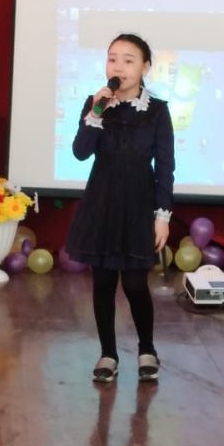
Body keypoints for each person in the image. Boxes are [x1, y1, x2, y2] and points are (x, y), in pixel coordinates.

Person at [65, 33, 175, 383]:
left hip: (139, 204)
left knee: (135, 283)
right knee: (102, 282)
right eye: (112, 59)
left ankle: (147, 349)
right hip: (102, 202)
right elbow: (80, 152)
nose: (118, 67)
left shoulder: (157, 111)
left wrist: (162, 216)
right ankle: (108, 354)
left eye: (128, 60)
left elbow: (165, 167)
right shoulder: (96, 103)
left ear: (145, 67)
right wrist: (97, 111)